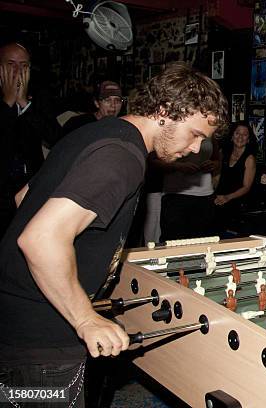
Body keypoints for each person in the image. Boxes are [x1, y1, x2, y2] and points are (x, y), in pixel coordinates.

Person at [0, 62, 227, 406]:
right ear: (165, 111)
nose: (196, 149)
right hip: (43, 344)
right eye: (195, 135)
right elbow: (39, 238)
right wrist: (86, 318)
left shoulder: (98, 132)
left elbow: (24, 199)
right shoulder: (123, 156)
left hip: (18, 323)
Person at [0, 42, 61, 237]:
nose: (18, 71)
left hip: (30, 186)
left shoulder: (38, 99)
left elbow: (56, 138)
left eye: (24, 66)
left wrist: (24, 104)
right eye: (11, 64)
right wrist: (8, 104)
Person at [159, 135, 220, 241]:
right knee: (173, 240)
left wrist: (213, 164)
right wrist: (179, 166)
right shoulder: (173, 128)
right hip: (176, 193)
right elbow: (154, 162)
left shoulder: (209, 131)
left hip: (204, 195)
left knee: (203, 240)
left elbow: (217, 159)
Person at [214, 121, 257, 235]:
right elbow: (217, 177)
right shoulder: (223, 152)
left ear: (248, 139)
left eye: (244, 134)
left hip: (238, 202)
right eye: (237, 133)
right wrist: (213, 194)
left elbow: (246, 187)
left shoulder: (250, 158)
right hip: (220, 198)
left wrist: (227, 197)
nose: (240, 137)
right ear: (232, 136)